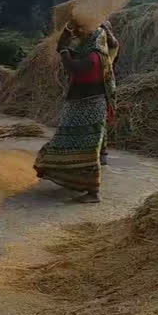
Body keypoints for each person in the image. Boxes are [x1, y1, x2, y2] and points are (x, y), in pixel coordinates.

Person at [33, 20, 118, 203]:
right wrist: (66, 35)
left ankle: (93, 192)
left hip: (90, 107)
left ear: (95, 38)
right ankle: (71, 180)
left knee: (87, 149)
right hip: (79, 104)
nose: (82, 37)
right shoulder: (99, 52)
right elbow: (113, 44)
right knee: (71, 142)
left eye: (86, 34)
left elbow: (75, 68)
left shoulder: (96, 57)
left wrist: (64, 50)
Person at [99, 20, 120, 165]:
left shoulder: (108, 50)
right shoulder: (99, 48)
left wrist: (102, 26)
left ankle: (102, 152)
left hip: (102, 87)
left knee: (101, 119)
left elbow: (114, 43)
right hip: (99, 86)